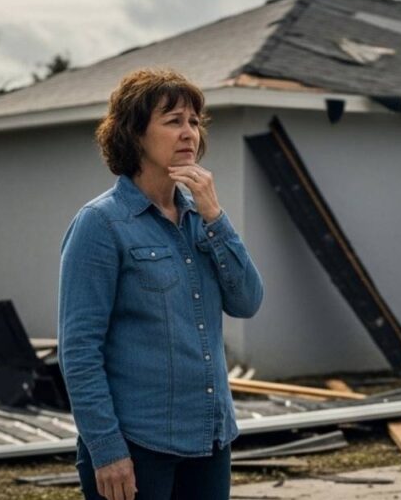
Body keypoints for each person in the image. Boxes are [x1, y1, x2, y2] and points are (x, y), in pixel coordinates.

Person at [59, 68, 264, 500]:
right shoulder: (101, 224)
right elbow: (79, 350)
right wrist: (106, 449)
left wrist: (215, 218)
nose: (189, 132)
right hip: (138, 446)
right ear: (134, 135)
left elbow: (247, 301)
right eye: (173, 121)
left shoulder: (202, 219)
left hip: (210, 439)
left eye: (193, 121)